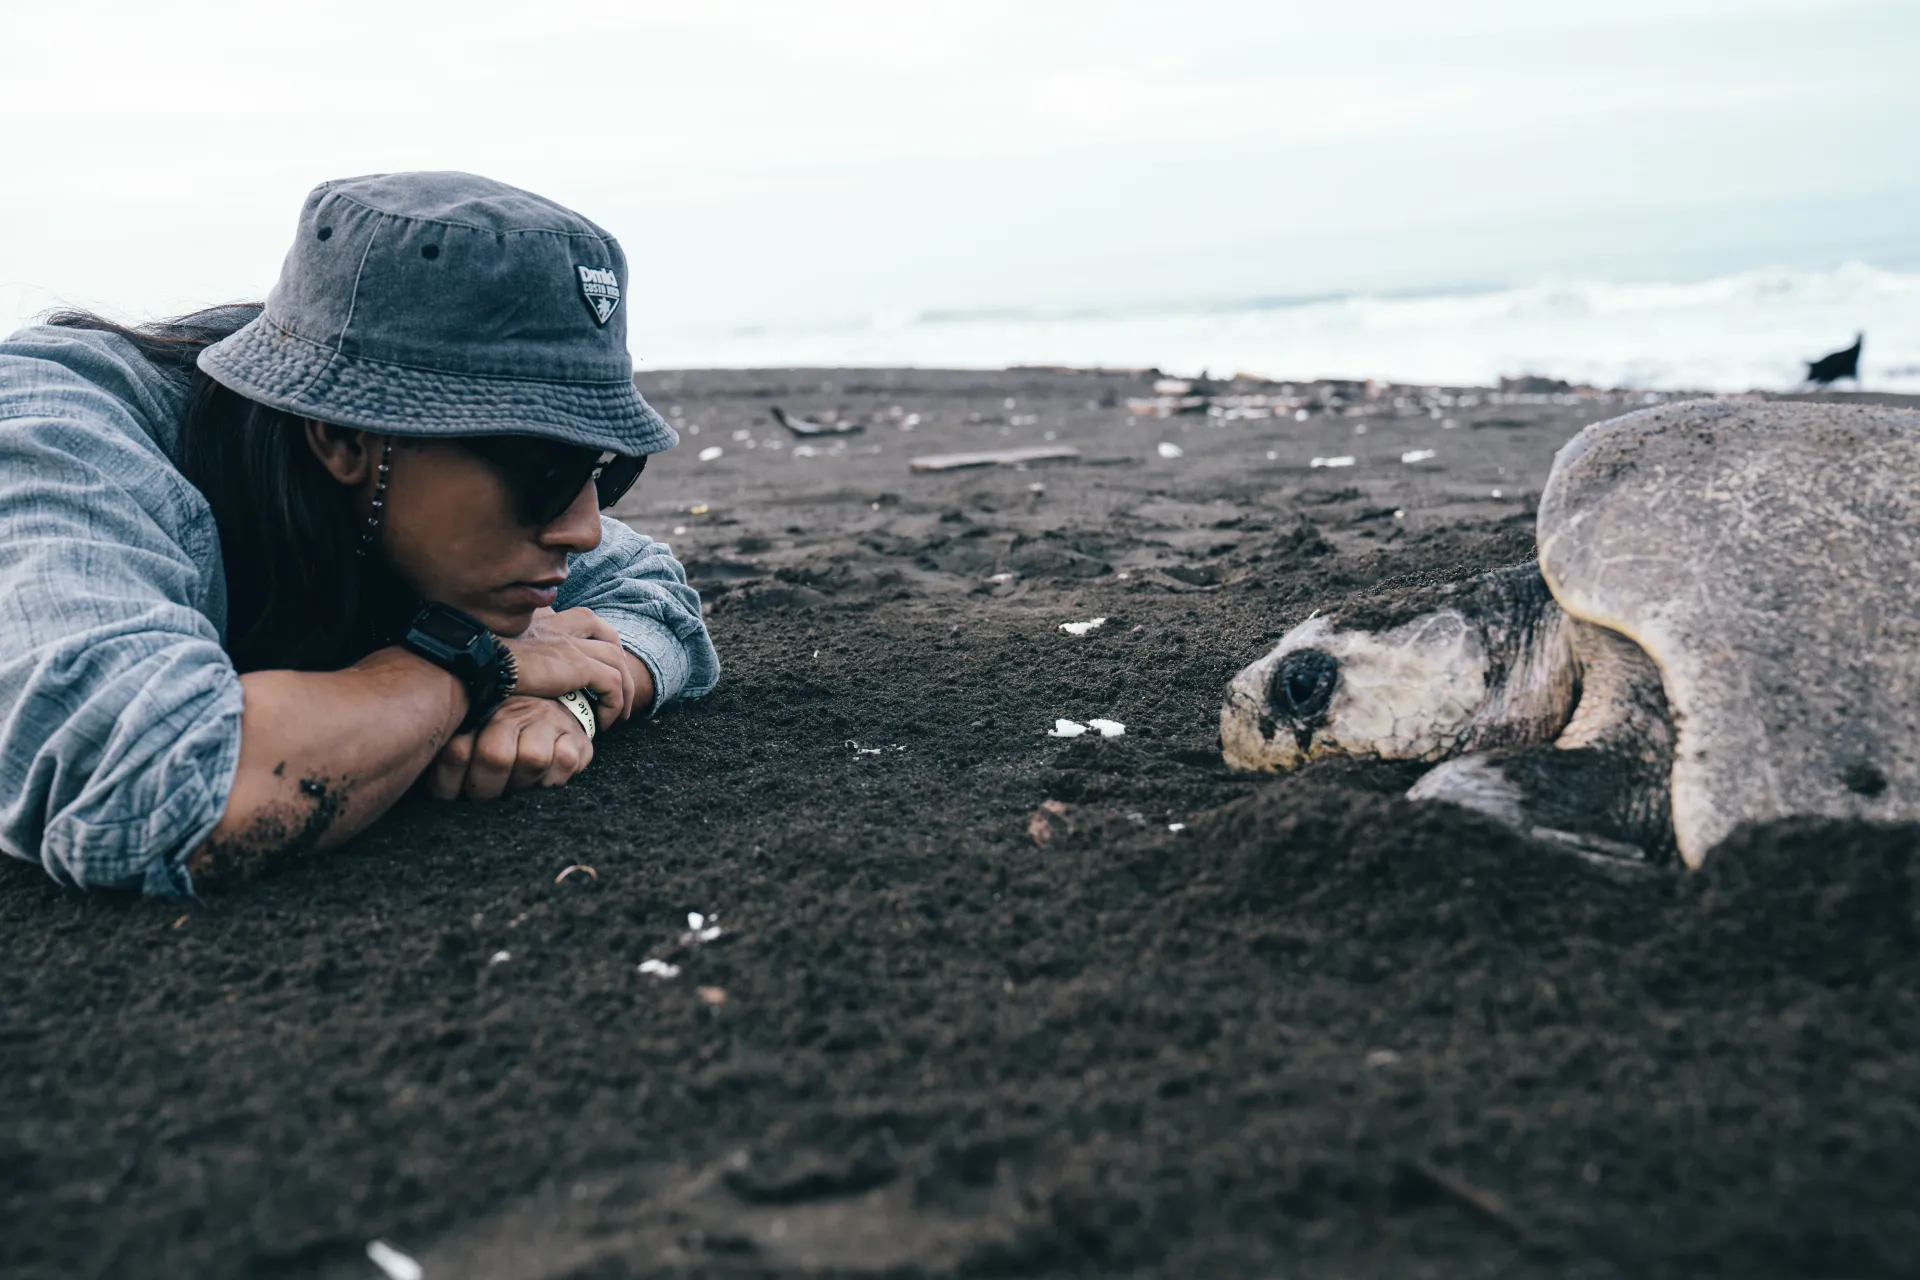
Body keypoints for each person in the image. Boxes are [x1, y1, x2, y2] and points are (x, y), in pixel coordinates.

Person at [0, 171, 719, 896]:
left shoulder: (415, 490)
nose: (586, 528)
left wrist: (569, 700)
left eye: (601, 467)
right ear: (342, 439)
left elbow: (652, 598)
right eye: (544, 470)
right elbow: (164, 792)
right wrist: (465, 665)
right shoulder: (62, 452)